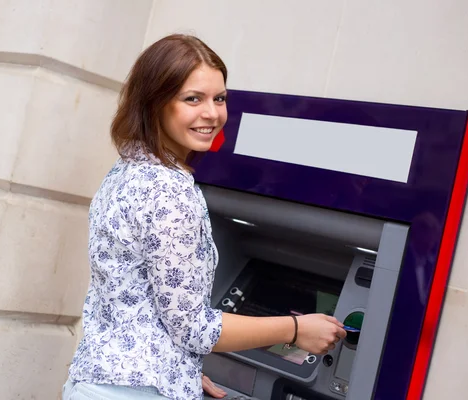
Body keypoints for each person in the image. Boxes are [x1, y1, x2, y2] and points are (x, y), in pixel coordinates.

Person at [62, 34, 347, 400]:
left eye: (220, 98)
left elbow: (131, 298)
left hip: (100, 381)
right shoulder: (169, 191)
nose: (212, 113)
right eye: (192, 99)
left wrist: (178, 372)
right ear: (156, 104)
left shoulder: (128, 170)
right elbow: (194, 328)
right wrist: (294, 329)